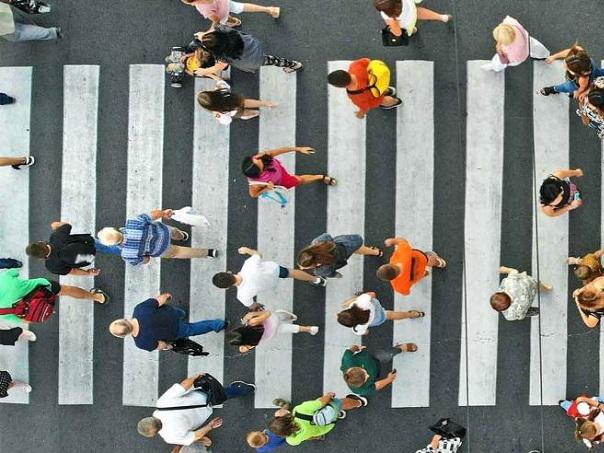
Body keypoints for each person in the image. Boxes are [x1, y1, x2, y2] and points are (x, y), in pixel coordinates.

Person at [137, 373, 255, 446]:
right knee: (224, 392)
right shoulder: (162, 404)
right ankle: (247, 389)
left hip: (205, 411)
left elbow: (196, 436)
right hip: (201, 396)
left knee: (223, 396)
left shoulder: (170, 437)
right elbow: (183, 386)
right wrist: (195, 377)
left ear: (154, 434)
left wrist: (210, 426)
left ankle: (244, 390)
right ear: (149, 418)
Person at [212, 246, 326, 309]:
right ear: (229, 272)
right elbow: (258, 255)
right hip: (274, 270)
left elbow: (253, 305)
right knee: (292, 273)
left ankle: (317, 280)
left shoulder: (242, 296)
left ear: (227, 287)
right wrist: (247, 250)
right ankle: (317, 280)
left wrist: (257, 306)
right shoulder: (248, 265)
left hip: (270, 284)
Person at [109, 293, 226, 352]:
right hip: (172, 314)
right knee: (180, 313)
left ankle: (217, 324)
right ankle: (183, 314)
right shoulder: (140, 309)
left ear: (124, 336)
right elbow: (160, 300)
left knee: (193, 328)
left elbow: (162, 345)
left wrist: (170, 346)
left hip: (175, 331)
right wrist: (166, 296)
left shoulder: (141, 343)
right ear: (124, 319)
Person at [97, 208, 217, 266]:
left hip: (161, 249)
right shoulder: (132, 223)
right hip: (163, 231)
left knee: (180, 252)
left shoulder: (127, 255)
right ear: (114, 230)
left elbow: (145, 260)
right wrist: (164, 213)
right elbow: (152, 215)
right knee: (174, 232)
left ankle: (209, 252)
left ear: (112, 244)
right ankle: (183, 236)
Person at [0, 268, 107, 324]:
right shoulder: (3, 279)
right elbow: (15, 272)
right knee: (67, 290)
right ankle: (97, 297)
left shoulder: (1, 312)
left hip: (38, 306)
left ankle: (47, 306)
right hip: (45, 289)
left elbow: (26, 321)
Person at [268, 392, 367, 446]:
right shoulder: (299, 411)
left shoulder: (291, 440)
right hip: (321, 413)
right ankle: (359, 402)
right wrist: (329, 395)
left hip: (325, 426)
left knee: (332, 414)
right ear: (285, 419)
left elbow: (307, 438)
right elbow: (321, 402)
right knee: (339, 403)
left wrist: (317, 437)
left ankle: (337, 415)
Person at [196, 25, 302, 74]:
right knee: (270, 59)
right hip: (252, 44)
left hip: (252, 60)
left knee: (270, 61)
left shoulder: (222, 56)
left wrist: (203, 71)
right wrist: (205, 36)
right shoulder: (226, 31)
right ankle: (293, 64)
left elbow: (217, 68)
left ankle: (294, 65)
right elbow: (216, 30)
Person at [242, 146, 336, 199]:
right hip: (282, 181)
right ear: (259, 172)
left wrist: (298, 149)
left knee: (297, 179)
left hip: (278, 169)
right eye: (259, 162)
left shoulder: (259, 157)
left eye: (255, 158)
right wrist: (266, 189)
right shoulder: (255, 184)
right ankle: (321, 177)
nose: (259, 157)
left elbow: (278, 151)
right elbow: (253, 195)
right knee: (300, 180)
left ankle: (321, 177)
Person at [327, 58, 401, 119]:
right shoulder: (354, 66)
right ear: (346, 73)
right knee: (381, 89)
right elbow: (367, 61)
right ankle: (389, 92)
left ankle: (396, 101)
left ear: (341, 86)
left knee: (384, 100)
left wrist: (360, 114)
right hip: (377, 82)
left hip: (374, 96)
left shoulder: (355, 96)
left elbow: (364, 107)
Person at [26, 221, 103, 277]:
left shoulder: (51, 267)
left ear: (40, 258)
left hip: (87, 259)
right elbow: (67, 225)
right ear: (41, 242)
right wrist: (54, 225)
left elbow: (73, 271)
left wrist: (88, 273)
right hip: (88, 244)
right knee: (105, 244)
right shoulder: (56, 236)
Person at [227, 309, 318, 354]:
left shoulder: (251, 343)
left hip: (271, 333)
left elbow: (243, 349)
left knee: (291, 328)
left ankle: (310, 329)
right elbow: (267, 313)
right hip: (272, 321)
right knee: (279, 315)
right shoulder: (252, 323)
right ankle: (289, 316)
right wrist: (253, 314)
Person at [340, 343, 416, 396]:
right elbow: (376, 386)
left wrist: (356, 347)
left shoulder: (348, 360)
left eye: (365, 373)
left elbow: (350, 350)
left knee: (387, 354)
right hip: (376, 373)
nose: (368, 375)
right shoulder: (359, 390)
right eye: (366, 378)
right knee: (386, 356)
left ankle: (400, 348)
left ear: (356, 367)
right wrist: (388, 379)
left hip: (371, 356)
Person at [377, 237, 446, 295]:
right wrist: (393, 241)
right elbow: (403, 241)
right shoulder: (400, 256)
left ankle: (425, 273)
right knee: (429, 260)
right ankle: (440, 263)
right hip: (421, 259)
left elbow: (406, 293)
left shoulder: (397, 285)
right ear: (390, 265)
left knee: (421, 273)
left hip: (417, 275)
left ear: (391, 279)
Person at [196, 76, 276, 125]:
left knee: (245, 114)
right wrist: (210, 75)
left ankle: (255, 113)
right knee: (248, 102)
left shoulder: (217, 112)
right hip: (236, 101)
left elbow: (227, 121)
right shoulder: (221, 90)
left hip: (234, 112)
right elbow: (220, 81)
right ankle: (267, 103)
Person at [481, 16, 549, 72]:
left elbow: (505, 61)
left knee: (499, 62)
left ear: (506, 43)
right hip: (526, 39)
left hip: (520, 56)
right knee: (535, 46)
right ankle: (544, 54)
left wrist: (499, 52)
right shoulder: (512, 25)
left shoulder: (510, 52)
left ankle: (494, 66)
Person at [297, 233, 381, 279]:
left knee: (355, 250)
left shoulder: (320, 270)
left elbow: (331, 274)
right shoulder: (318, 242)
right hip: (345, 244)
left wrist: (337, 275)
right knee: (356, 248)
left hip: (342, 257)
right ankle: (375, 252)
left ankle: (373, 252)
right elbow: (327, 236)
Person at [337, 292, 424, 335]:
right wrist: (355, 300)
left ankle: (413, 315)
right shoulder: (359, 303)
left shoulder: (358, 328)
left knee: (391, 315)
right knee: (344, 304)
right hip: (374, 306)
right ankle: (415, 314)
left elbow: (366, 332)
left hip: (376, 319)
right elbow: (372, 294)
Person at [539, 44, 604, 99]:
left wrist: (578, 93)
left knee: (566, 87)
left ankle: (553, 89)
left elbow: (582, 88)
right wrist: (553, 57)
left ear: (578, 73)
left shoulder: (583, 79)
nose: (564, 65)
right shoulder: (578, 52)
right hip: (592, 65)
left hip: (576, 82)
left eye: (568, 68)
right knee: (598, 72)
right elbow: (568, 52)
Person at [373, 0, 451, 37]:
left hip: (409, 22)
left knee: (410, 30)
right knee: (420, 11)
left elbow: (398, 33)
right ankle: (442, 17)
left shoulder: (389, 17)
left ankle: (413, 30)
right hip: (411, 7)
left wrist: (390, 29)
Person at [181, 0, 279, 27]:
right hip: (225, 2)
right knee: (242, 6)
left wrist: (213, 27)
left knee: (225, 20)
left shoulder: (202, 7)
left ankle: (235, 21)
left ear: (193, 2)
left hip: (222, 14)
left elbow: (216, 19)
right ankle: (269, 9)